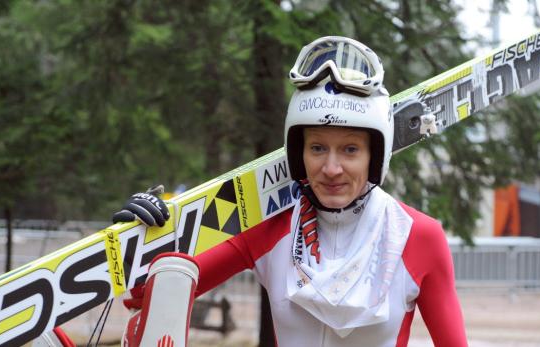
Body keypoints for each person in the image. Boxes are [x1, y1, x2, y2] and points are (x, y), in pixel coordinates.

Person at [54, 36, 468, 347]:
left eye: (351, 150)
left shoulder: (419, 235)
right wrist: (141, 239)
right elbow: (153, 295)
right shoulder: (272, 227)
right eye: (317, 148)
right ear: (297, 153)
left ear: (375, 156)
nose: (332, 168)